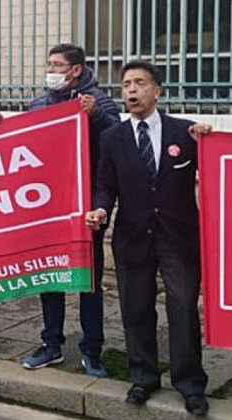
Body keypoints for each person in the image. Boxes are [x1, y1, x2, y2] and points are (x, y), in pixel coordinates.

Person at [85, 60, 211, 417]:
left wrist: (208, 139)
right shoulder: (114, 138)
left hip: (178, 237)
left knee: (183, 308)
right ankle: (143, 377)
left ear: (156, 91)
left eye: (139, 83)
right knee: (137, 310)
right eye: (126, 85)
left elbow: (217, 169)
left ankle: (190, 383)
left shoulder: (185, 133)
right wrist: (100, 210)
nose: (131, 90)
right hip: (133, 236)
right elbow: (105, 185)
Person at [0, 44, 120, 377]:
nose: (51, 70)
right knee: (48, 274)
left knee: (88, 279)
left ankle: (92, 349)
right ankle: (51, 344)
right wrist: (0, 128)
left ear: (76, 70)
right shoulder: (41, 102)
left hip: (86, 203)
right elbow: (26, 143)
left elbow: (116, 143)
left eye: (57, 65)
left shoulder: (99, 101)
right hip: (47, 204)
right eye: (49, 63)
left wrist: (97, 117)